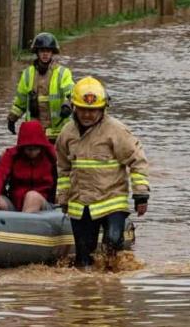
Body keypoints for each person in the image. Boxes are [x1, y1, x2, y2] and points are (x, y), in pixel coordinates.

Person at [55, 77, 150, 270]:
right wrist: (63, 197)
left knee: (113, 243)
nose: (87, 115)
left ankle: (113, 291)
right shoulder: (67, 133)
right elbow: (63, 168)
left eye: (92, 110)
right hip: (80, 204)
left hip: (111, 201)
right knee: (84, 257)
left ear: (103, 108)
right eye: (82, 109)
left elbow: (137, 159)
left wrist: (141, 194)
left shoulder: (115, 130)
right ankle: (86, 294)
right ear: (73, 107)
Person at [8, 32, 75, 142]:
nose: (45, 54)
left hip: (57, 132)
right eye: (42, 51)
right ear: (37, 52)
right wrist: (12, 118)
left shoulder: (63, 73)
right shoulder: (28, 74)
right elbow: (21, 101)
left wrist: (68, 106)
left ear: (52, 53)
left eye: (48, 51)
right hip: (34, 132)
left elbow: (72, 94)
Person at [0, 120, 57, 213]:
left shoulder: (51, 156)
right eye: (29, 149)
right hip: (15, 203)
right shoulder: (11, 155)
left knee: (32, 197)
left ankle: (24, 225)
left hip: (43, 203)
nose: (32, 152)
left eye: (36, 149)